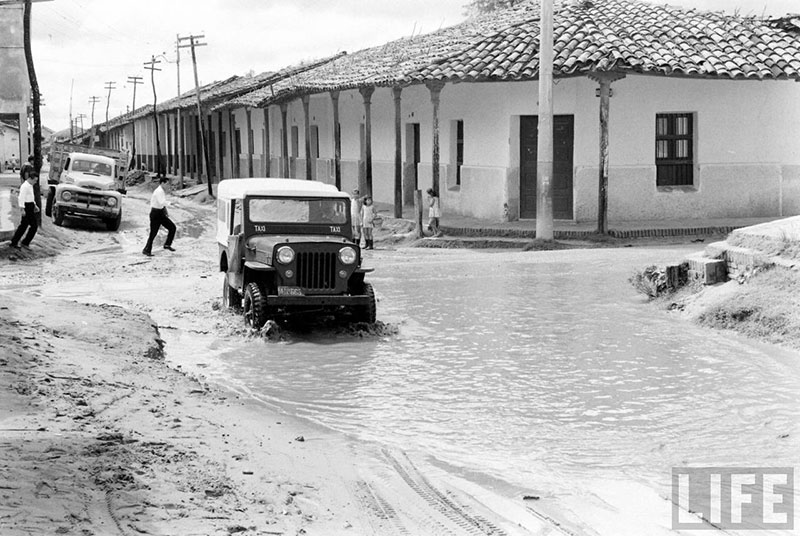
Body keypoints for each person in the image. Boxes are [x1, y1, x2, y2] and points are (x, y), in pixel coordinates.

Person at [142, 176, 176, 256]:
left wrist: (165, 211)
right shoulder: (159, 191)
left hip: (160, 213)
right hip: (156, 214)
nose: (168, 186)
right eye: (167, 184)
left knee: (172, 227)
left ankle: (167, 244)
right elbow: (161, 202)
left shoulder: (161, 191)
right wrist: (170, 203)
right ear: (162, 183)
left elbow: (161, 205)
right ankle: (147, 250)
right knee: (153, 233)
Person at [10, 172, 40, 249]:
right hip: (26, 207)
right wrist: (22, 209)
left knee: (27, 225)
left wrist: (34, 205)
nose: (35, 182)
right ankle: (18, 242)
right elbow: (21, 198)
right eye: (35, 180)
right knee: (29, 225)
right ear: (30, 178)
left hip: (30, 205)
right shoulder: (25, 186)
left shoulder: (30, 186)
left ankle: (21, 241)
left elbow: (31, 196)